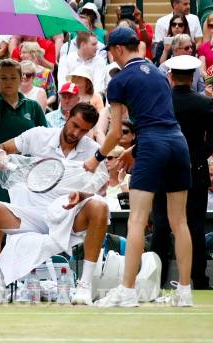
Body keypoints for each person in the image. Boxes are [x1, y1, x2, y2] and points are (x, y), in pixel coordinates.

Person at [88, 26, 195, 307]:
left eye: (111, 52)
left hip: (152, 143)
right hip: (177, 143)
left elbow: (114, 133)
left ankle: (127, 291)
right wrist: (134, 149)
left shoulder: (119, 81)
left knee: (136, 219)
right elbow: (162, 120)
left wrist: (96, 158)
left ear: (118, 49)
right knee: (179, 221)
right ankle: (184, 292)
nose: (111, 57)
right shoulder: (159, 74)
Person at [0, 102, 107, 305]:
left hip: (67, 216)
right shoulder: (38, 135)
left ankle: (84, 286)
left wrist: (81, 194)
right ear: (67, 116)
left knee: (100, 206)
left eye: (83, 131)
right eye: (74, 125)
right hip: (30, 215)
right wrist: (0, 157)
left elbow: (101, 185)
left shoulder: (94, 150)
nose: (76, 133)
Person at [149, 55, 212, 291]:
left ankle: (157, 281)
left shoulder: (160, 103)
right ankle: (199, 280)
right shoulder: (205, 104)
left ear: (171, 76)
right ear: (193, 76)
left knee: (161, 226)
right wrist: (196, 156)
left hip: (164, 168)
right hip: (195, 169)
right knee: (194, 226)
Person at [0, 58, 47, 202]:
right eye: (4, 78)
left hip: (27, 173)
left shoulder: (33, 107)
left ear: (21, 79)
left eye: (13, 77)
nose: (8, 82)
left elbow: (44, 137)